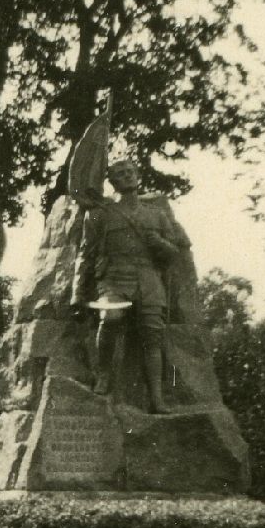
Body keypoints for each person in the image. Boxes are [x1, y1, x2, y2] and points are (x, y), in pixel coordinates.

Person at [70, 158, 190, 413]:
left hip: (148, 280)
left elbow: (174, 253)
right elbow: (86, 254)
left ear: (137, 175)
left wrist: (157, 242)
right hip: (114, 278)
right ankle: (103, 375)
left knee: (153, 336)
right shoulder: (100, 213)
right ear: (111, 182)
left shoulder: (156, 215)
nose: (127, 176)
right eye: (120, 174)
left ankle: (157, 398)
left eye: (130, 172)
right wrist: (77, 294)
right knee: (110, 317)